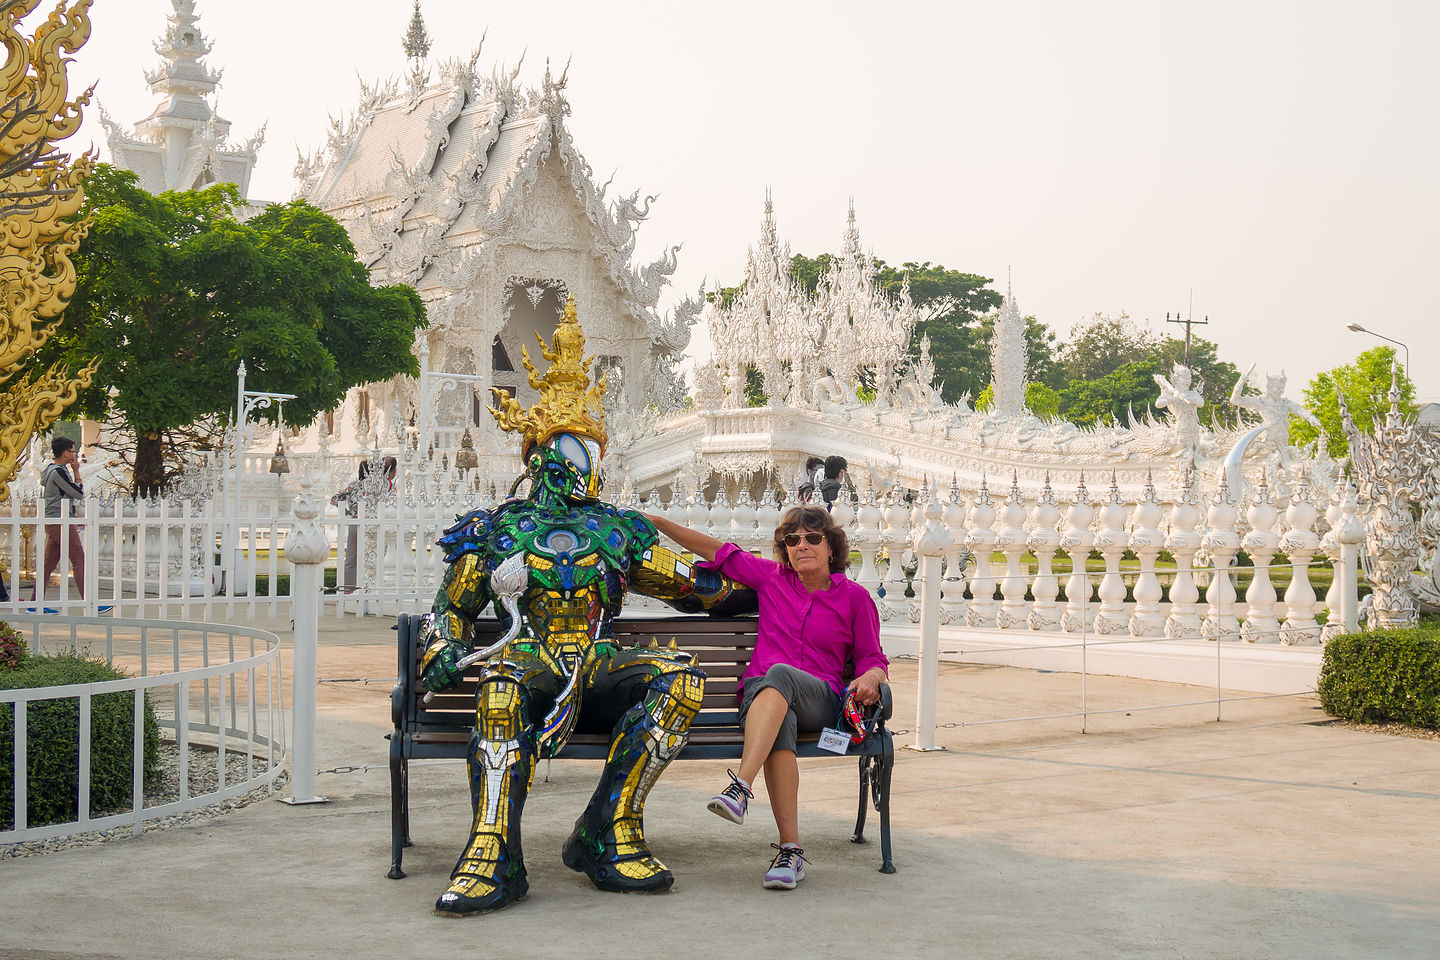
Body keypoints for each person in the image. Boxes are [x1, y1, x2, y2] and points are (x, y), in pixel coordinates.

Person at [419, 298, 748, 915]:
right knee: (498, 696)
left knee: (678, 680)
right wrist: (441, 648)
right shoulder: (496, 530)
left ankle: (608, 828)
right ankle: (492, 850)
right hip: (527, 657)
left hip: (595, 659)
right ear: (539, 459)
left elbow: (696, 587)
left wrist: (770, 582)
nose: (584, 466)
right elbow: (452, 611)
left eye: (589, 452)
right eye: (571, 453)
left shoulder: (617, 531)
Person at [647, 503, 888, 890]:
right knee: (780, 718)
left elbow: (873, 658)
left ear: (832, 548)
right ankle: (790, 853)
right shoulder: (772, 579)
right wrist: (658, 523)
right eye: (792, 540)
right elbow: (718, 551)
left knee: (778, 675)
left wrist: (873, 676)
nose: (801, 545)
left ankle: (740, 786)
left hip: (820, 700)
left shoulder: (855, 598)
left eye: (812, 538)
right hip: (763, 704)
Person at [35, 436, 85, 601]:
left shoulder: (50, 469)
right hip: (60, 519)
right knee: (78, 558)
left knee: (48, 563)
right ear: (65, 453)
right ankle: (90, 601)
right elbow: (78, 494)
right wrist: (76, 471)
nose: (75, 454)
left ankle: (35, 604)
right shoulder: (58, 472)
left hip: (53, 519)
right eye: (72, 451)